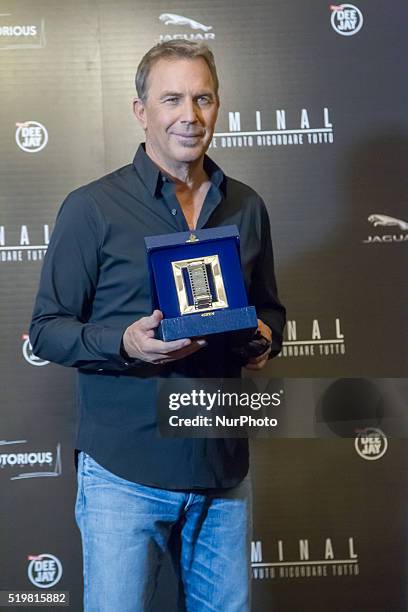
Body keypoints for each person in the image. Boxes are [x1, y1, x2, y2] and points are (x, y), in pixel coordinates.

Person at [30, 40, 286, 612]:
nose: (188, 116)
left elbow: (271, 309)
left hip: (222, 470)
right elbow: (47, 328)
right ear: (141, 111)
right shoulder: (92, 208)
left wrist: (266, 337)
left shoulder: (246, 205)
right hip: (126, 472)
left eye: (203, 98)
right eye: (171, 99)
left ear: (218, 107)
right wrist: (125, 343)